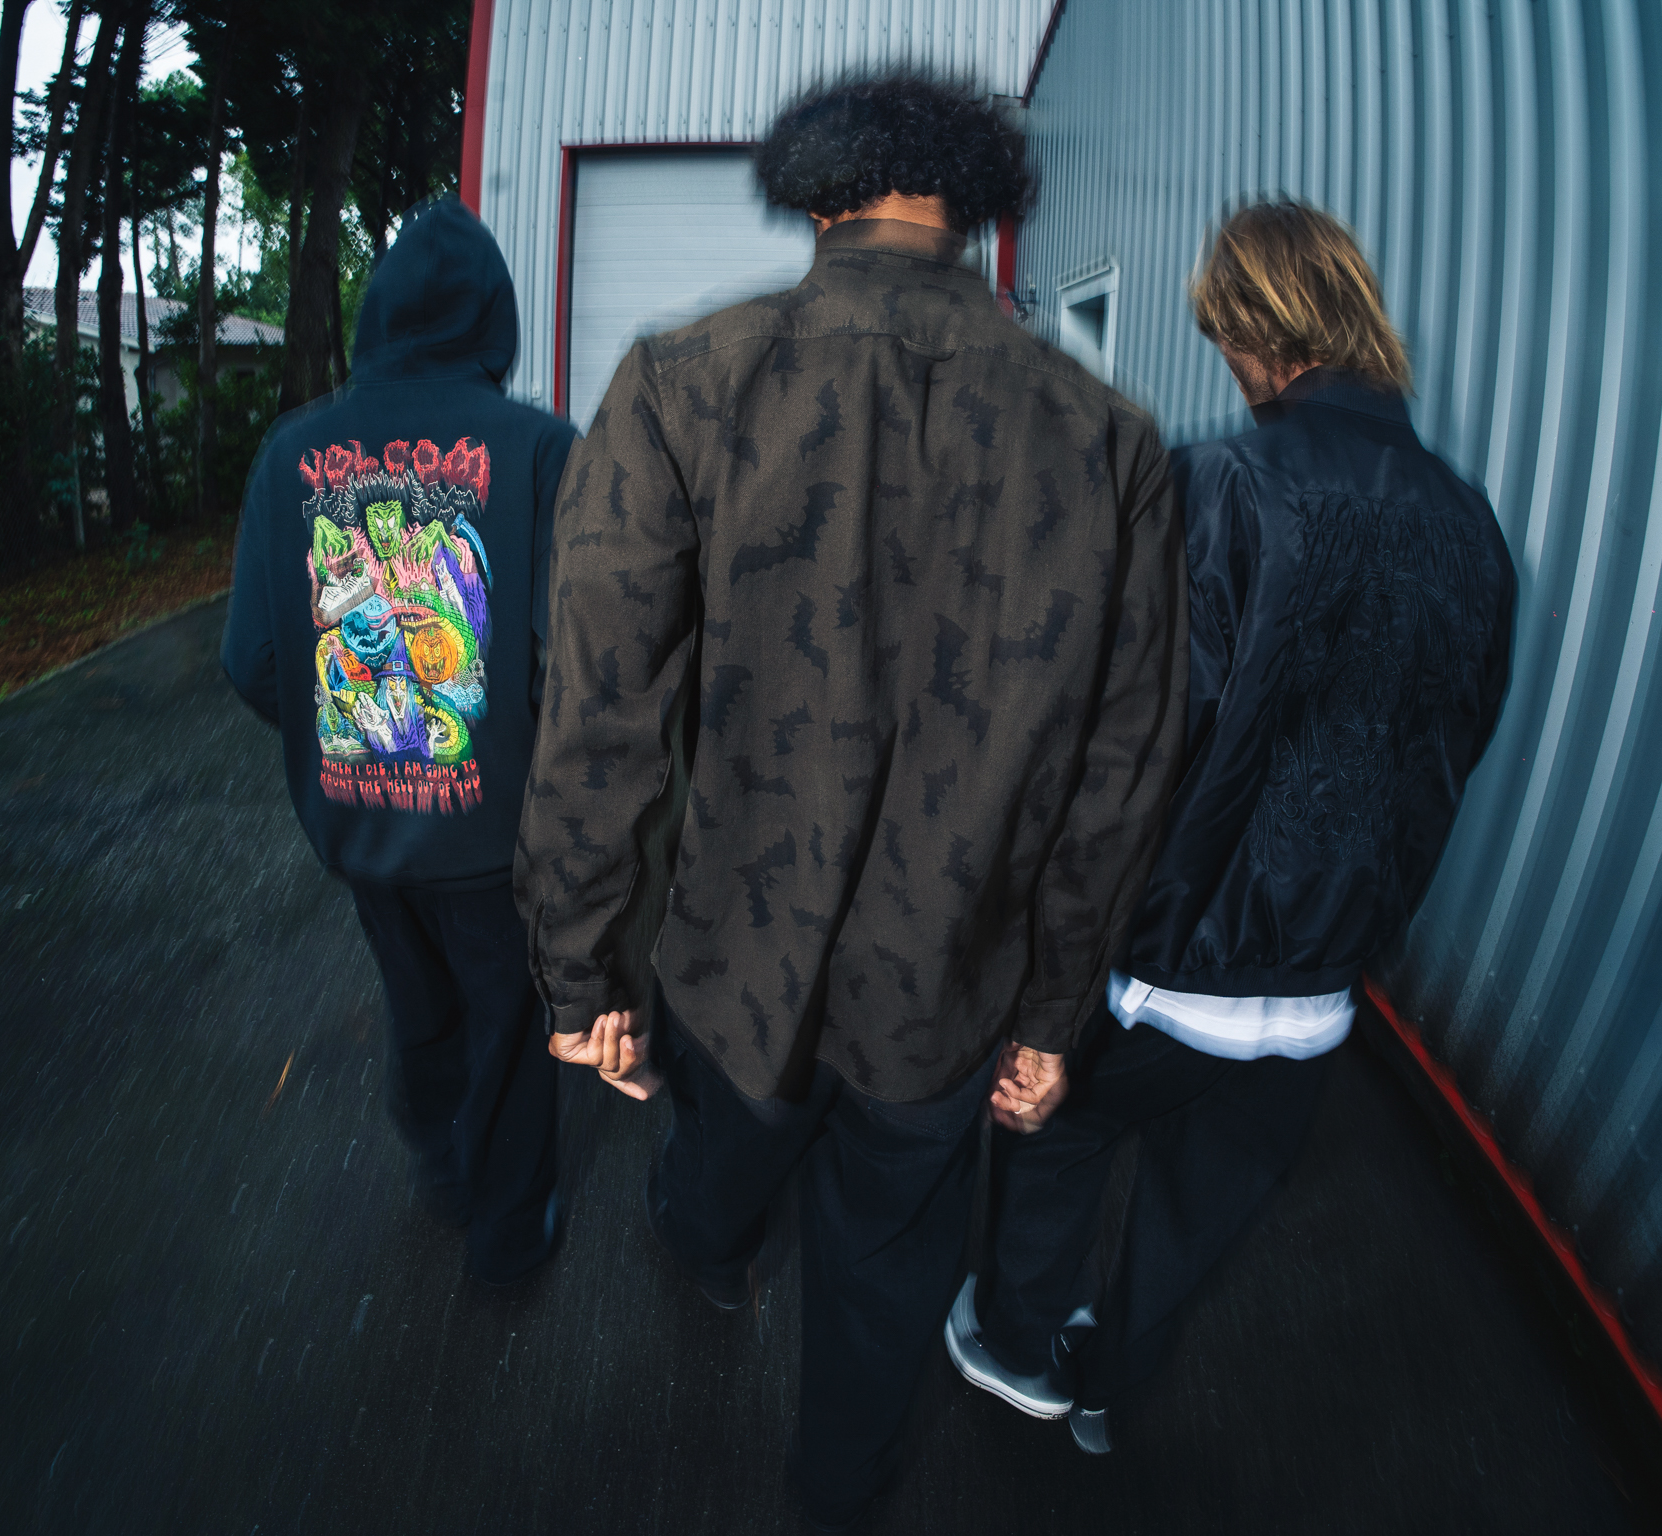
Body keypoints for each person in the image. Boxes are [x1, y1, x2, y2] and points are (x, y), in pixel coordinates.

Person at [513, 74, 1189, 1530]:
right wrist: (1053, 1018)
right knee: (886, 1270)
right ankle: (834, 1500)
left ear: (822, 200)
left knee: (713, 1173)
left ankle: (703, 1242)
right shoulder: (1109, 439)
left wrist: (582, 967)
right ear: (973, 216)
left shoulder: (687, 376)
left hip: (730, 966)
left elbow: (598, 701)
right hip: (948, 990)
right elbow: (1121, 768)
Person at [942, 198, 1517, 1455]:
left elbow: (1136, 751)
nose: (1234, 373)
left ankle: (1021, 1343)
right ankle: (1111, 1392)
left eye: (1230, 343)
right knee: (1205, 1208)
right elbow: (1450, 747)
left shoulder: (1223, 484)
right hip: (1321, 991)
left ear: (1268, 328)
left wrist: (1054, 985)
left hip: (1171, 971)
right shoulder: (1471, 527)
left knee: (1058, 1121)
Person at [222, 198, 577, 1285]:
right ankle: (508, 1240)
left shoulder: (290, 452)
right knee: (509, 1023)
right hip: (493, 830)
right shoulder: (537, 449)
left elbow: (252, 661)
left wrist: (358, 748)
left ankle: (441, 1172)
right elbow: (576, 653)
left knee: (417, 1000)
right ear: (496, 320)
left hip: (363, 823)